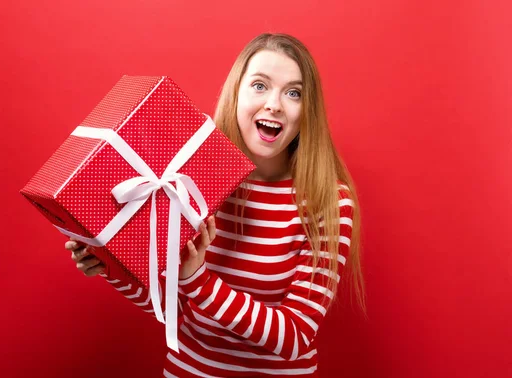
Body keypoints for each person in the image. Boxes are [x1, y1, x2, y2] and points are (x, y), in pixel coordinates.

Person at [65, 33, 365, 377]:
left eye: (293, 93)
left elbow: (294, 337)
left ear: (307, 110)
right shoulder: (189, 183)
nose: (275, 104)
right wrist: (111, 267)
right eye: (259, 85)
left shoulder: (330, 200)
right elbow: (175, 309)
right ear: (236, 93)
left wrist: (197, 278)